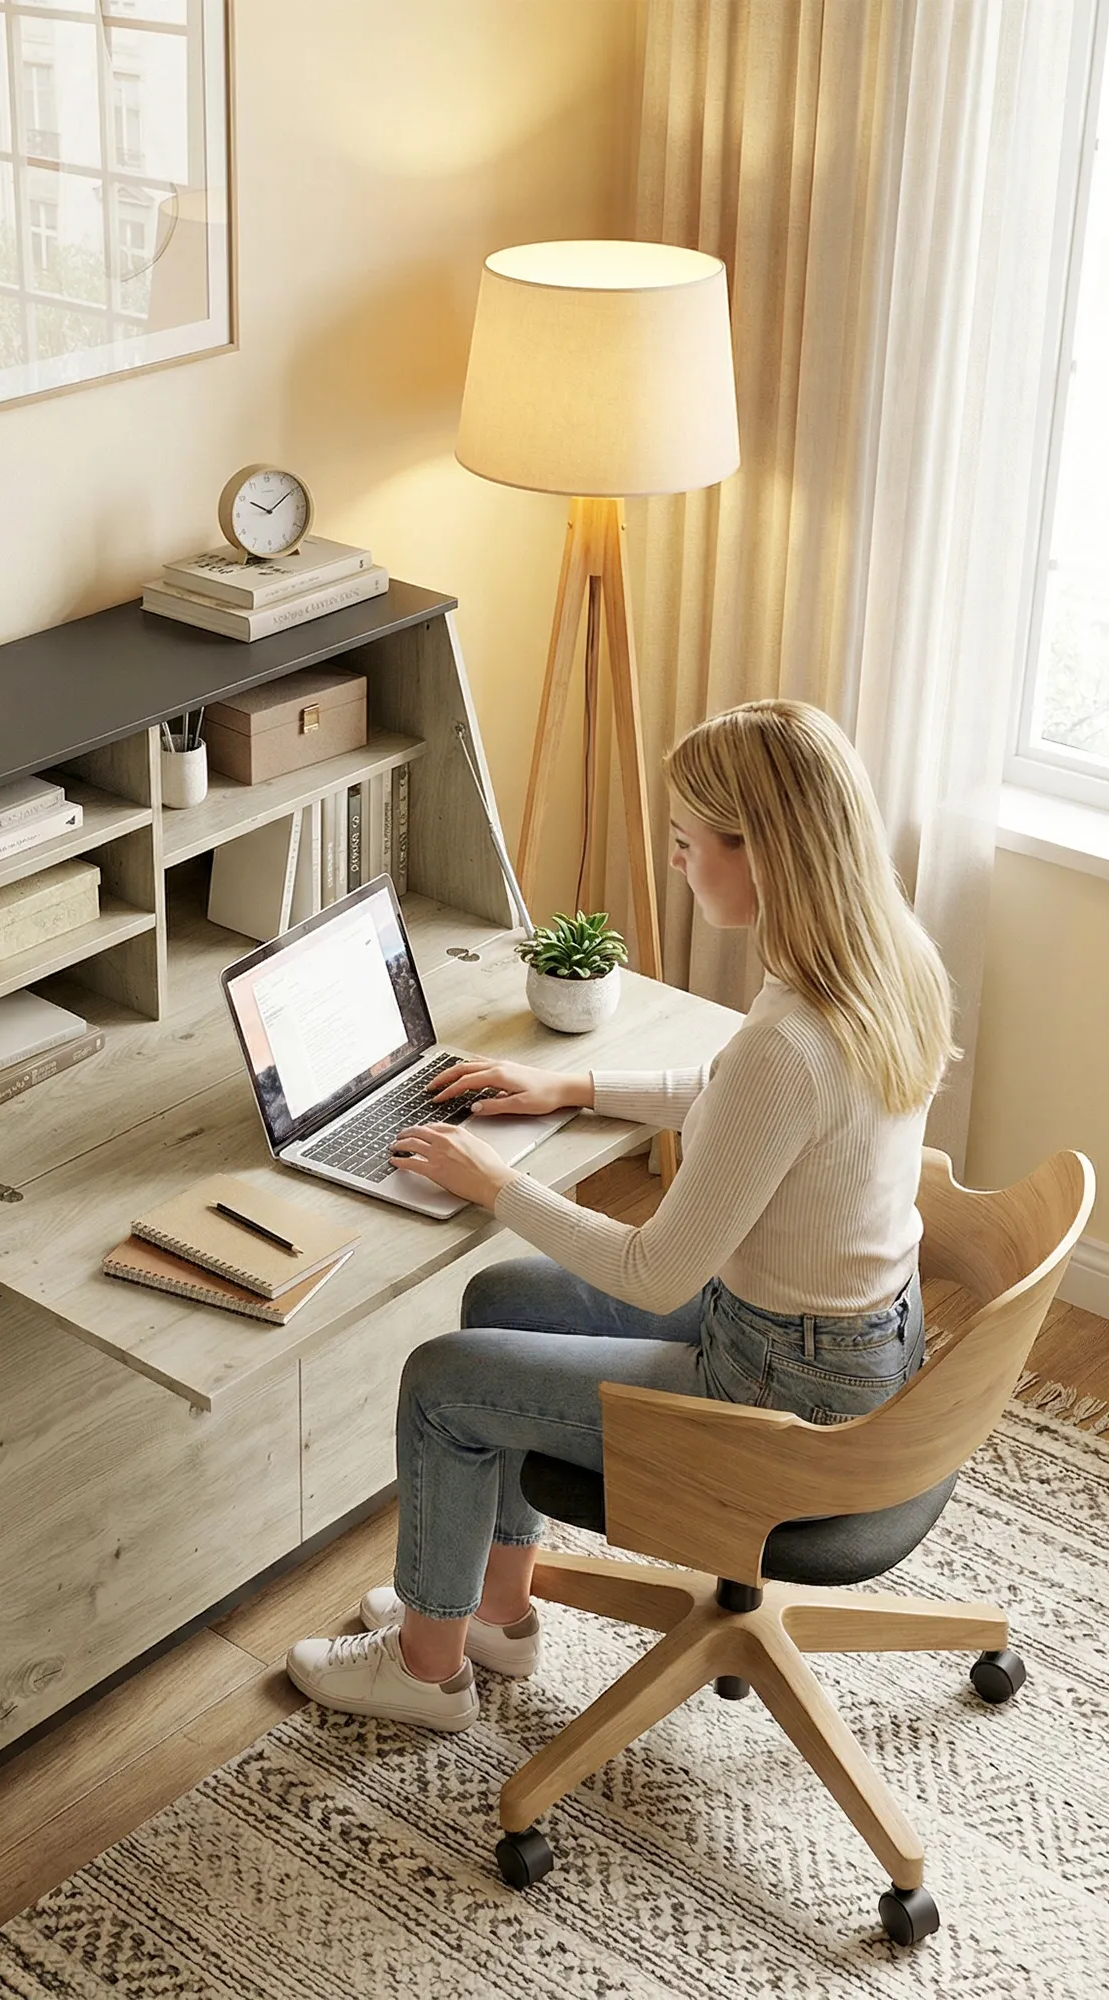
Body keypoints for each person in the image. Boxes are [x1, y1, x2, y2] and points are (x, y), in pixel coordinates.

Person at [286, 699, 958, 1731]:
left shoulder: (790, 1038)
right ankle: (493, 1614)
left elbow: (657, 1271)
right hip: (856, 1342)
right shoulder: (881, 959)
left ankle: (422, 1674)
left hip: (778, 1388)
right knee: (499, 1298)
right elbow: (742, 1102)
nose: (676, 863)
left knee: (441, 1382)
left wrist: (494, 1184)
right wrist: (572, 1087)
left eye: (687, 843)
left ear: (761, 851)